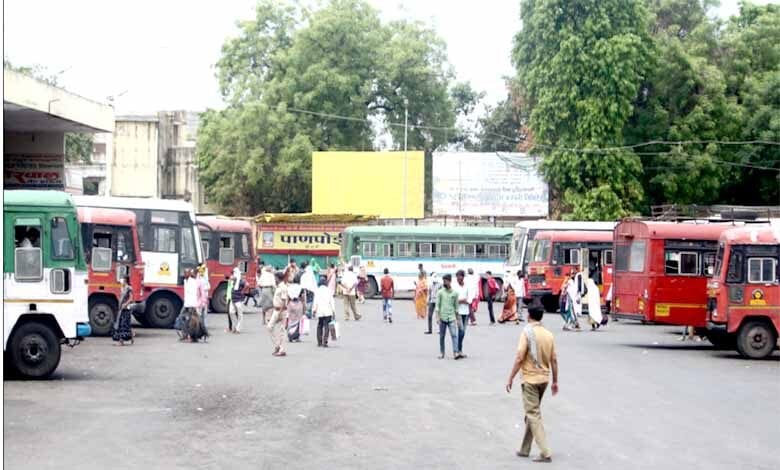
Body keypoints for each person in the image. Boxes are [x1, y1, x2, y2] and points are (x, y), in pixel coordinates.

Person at [505, 300, 559, 463]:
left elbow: (520, 357)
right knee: (532, 412)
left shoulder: (527, 332)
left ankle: (545, 452)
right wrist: (555, 381)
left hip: (530, 379)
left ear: (529, 315)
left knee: (533, 414)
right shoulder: (549, 335)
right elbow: (554, 360)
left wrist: (511, 377)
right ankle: (524, 449)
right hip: (544, 379)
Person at [435, 274, 460, 359]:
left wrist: (458, 320)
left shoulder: (455, 293)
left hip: (452, 317)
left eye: (445, 281)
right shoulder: (440, 292)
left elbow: (456, 307)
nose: (444, 283)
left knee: (454, 335)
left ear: (450, 281)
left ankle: (455, 352)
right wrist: (437, 317)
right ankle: (442, 353)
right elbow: (437, 306)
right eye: (443, 281)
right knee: (442, 336)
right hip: (442, 318)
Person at [268, 270, 290, 356]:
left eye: (275, 278)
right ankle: (277, 345)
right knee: (269, 327)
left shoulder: (283, 287)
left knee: (282, 331)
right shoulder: (278, 287)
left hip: (281, 310)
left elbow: (284, 301)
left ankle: (281, 349)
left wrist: (280, 312)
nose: (274, 279)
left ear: (278, 278)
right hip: (276, 310)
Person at [313, 275, 336, 347]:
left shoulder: (317, 291)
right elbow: (332, 301)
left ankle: (319, 342)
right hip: (328, 310)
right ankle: (325, 342)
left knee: (319, 325)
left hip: (320, 310)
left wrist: (314, 310)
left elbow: (315, 301)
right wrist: (333, 311)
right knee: (327, 326)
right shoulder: (329, 290)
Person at [112, 275, 134, 345]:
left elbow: (131, 298)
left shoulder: (129, 288)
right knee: (125, 324)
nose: (122, 281)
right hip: (121, 309)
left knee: (122, 325)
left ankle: (121, 342)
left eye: (123, 280)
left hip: (126, 309)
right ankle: (131, 336)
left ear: (126, 280)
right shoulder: (122, 288)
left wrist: (125, 304)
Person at [454, 270, 470, 360]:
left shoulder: (467, 286)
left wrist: (467, 301)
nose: (458, 279)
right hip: (458, 312)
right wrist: (461, 300)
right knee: (461, 331)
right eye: (457, 277)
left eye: (459, 277)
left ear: (463, 277)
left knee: (463, 332)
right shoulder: (455, 287)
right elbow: (453, 299)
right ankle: (458, 350)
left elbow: (470, 298)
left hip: (466, 311)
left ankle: (459, 350)